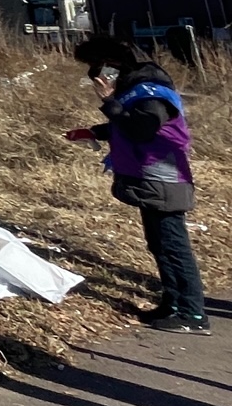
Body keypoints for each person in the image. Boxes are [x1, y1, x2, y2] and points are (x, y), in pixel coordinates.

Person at [68, 35, 209, 334]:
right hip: (151, 179)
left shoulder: (150, 92)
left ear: (111, 66)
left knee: (174, 246)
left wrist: (108, 101)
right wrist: (94, 131)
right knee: (159, 244)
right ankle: (172, 303)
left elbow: (143, 128)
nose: (93, 75)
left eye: (95, 68)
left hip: (164, 178)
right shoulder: (136, 90)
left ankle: (193, 313)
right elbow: (128, 124)